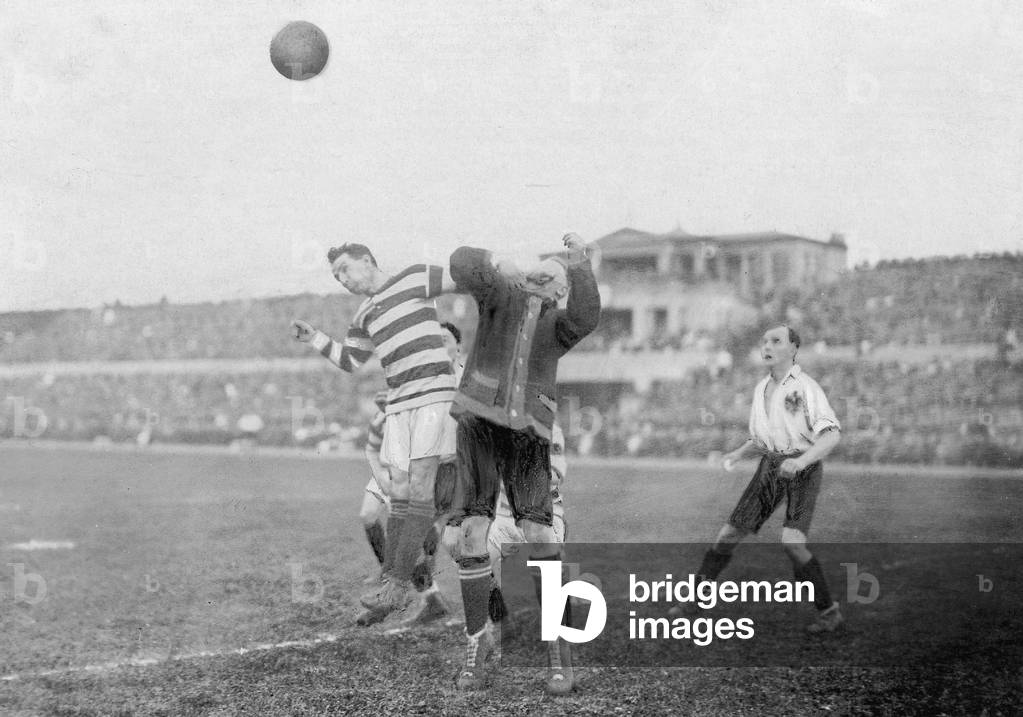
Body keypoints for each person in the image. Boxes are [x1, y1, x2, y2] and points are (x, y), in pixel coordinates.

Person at [445, 233, 600, 695]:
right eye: (537, 267)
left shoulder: (560, 325)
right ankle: (476, 645)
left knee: (539, 535)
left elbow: (588, 315)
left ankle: (558, 651)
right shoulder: (498, 295)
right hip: (479, 420)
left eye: (550, 272)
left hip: (529, 431)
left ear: (561, 288)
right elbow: (460, 261)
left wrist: (579, 264)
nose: (538, 272)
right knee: (470, 532)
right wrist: (497, 259)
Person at [292, 244, 456, 621]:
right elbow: (352, 360)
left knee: (418, 490)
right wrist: (315, 338)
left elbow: (462, 280)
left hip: (433, 395)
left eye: (345, 269)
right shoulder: (363, 314)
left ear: (367, 261)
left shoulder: (414, 278)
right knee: (399, 492)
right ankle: (401, 586)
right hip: (398, 403)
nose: (343, 279)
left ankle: (396, 586)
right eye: (337, 276)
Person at [675, 325, 844, 633]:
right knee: (727, 536)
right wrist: (737, 454)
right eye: (764, 341)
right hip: (771, 467)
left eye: (776, 341)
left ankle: (829, 612)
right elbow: (761, 440)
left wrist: (801, 461)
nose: (767, 346)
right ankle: (695, 601)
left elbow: (831, 435)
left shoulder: (806, 387)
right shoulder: (761, 388)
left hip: (803, 469)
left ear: (793, 349)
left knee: (792, 544)